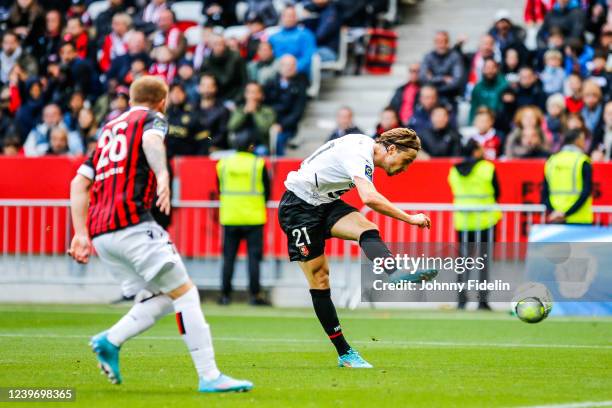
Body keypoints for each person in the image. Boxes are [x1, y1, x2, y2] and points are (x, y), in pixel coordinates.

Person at [67, 76, 253, 393]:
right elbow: (153, 143)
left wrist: (80, 233)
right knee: (186, 293)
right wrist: (163, 174)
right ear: (162, 101)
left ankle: (110, 341)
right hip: (133, 225)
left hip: (102, 235)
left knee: (163, 296)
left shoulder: (110, 129)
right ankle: (209, 375)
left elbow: (78, 183)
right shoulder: (152, 119)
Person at [278, 128, 434, 368]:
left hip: (325, 203)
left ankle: (393, 273)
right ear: (391, 149)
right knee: (320, 279)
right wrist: (410, 218)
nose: (406, 168)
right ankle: (345, 353)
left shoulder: (363, 149)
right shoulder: (359, 153)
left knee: (366, 228)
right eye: (407, 161)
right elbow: (369, 198)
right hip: (298, 208)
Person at [216, 130, 271, 306]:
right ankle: (255, 296)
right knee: (253, 259)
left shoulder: (223, 164)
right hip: (253, 218)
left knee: (228, 258)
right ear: (251, 146)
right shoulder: (258, 164)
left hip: (230, 217)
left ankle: (225, 296)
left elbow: (220, 188)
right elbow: (267, 191)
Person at [448, 139, 501, 310]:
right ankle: (482, 301)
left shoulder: (454, 171)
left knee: (464, 263)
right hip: (485, 222)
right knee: (483, 263)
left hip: (463, 223)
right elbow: (497, 192)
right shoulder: (487, 168)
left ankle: (461, 300)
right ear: (476, 151)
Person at [542, 129, 593, 224]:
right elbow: (586, 191)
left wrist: (555, 212)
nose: (584, 143)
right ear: (577, 140)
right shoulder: (582, 161)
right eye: (583, 139)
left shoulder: (552, 161)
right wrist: (566, 213)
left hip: (556, 218)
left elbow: (544, 193)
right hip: (579, 219)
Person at [264, 54, 308, 156]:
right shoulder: (270, 83)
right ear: (280, 66)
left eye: (292, 65)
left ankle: (280, 168)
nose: (289, 68)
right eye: (286, 65)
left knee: (278, 140)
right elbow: (265, 105)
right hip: (268, 122)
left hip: (287, 127)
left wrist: (281, 125)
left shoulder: (301, 85)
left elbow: (298, 112)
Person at [228, 82, 276, 155]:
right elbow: (231, 126)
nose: (251, 95)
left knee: (262, 151)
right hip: (240, 146)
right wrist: (244, 112)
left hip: (259, 145)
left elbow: (265, 129)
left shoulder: (268, 111)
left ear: (261, 95)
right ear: (245, 94)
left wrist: (255, 112)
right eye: (248, 92)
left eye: (254, 92)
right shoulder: (239, 110)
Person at [268, 6, 317, 75]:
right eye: (286, 16)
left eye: (291, 16)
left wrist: (294, 68)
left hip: (298, 73)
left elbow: (308, 56)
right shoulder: (273, 37)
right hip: (276, 72)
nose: (289, 19)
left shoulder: (306, 35)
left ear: (296, 18)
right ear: (281, 18)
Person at [419, 31, 464, 102]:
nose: (441, 45)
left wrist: (432, 79)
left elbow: (456, 81)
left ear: (448, 43)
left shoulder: (455, 57)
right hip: (430, 98)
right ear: (434, 43)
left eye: (444, 41)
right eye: (438, 42)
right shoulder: (428, 57)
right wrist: (443, 79)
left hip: (450, 97)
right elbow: (423, 78)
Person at [200, 35, 247, 102]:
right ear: (210, 45)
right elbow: (201, 76)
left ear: (225, 44)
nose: (219, 47)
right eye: (215, 44)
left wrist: (236, 101)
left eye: (221, 43)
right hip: (215, 98)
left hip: (233, 97)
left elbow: (242, 81)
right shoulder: (207, 60)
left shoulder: (235, 57)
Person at [193, 74, 230, 153]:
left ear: (215, 88)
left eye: (210, 86)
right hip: (193, 148)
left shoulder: (223, 110)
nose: (206, 89)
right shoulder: (192, 108)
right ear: (199, 88)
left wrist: (207, 144)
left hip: (214, 149)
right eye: (204, 85)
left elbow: (222, 134)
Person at [468, 58, 507, 124]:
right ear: (483, 70)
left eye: (493, 68)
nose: (490, 71)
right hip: (482, 122)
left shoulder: (504, 86)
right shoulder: (478, 87)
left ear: (497, 69)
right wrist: (471, 124)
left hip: (499, 123)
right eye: (487, 68)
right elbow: (473, 108)